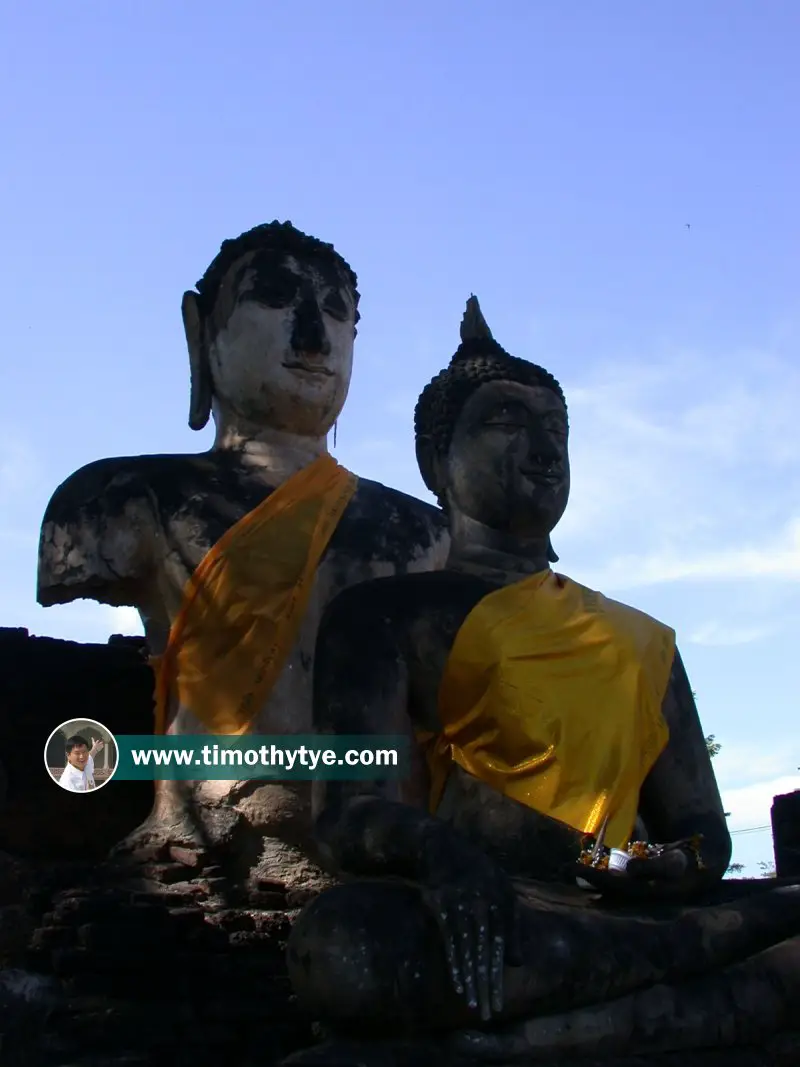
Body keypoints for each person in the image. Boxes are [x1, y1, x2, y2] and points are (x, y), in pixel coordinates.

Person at [284, 297, 800, 1065]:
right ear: (436, 461)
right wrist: (446, 858)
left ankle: (516, 1044)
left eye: (557, 430)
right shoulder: (385, 614)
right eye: (505, 422)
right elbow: (346, 812)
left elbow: (703, 830)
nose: (541, 447)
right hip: (490, 907)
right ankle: (657, 1017)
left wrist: (664, 866)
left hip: (614, 901)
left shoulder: (639, 639)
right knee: (348, 944)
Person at [37, 221, 447, 879]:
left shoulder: (423, 531)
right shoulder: (126, 497)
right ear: (201, 335)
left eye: (336, 312)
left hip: (378, 868)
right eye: (277, 299)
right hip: (202, 854)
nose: (314, 336)